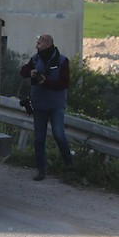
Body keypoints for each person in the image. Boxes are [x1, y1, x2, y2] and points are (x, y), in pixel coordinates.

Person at [20, 34, 73, 181]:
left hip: (56, 105)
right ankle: (41, 170)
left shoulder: (62, 61)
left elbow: (65, 83)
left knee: (58, 134)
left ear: (48, 44)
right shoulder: (35, 59)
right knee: (38, 138)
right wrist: (30, 72)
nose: (36, 46)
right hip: (39, 105)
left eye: (39, 43)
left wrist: (46, 82)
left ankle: (70, 165)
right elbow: (22, 71)